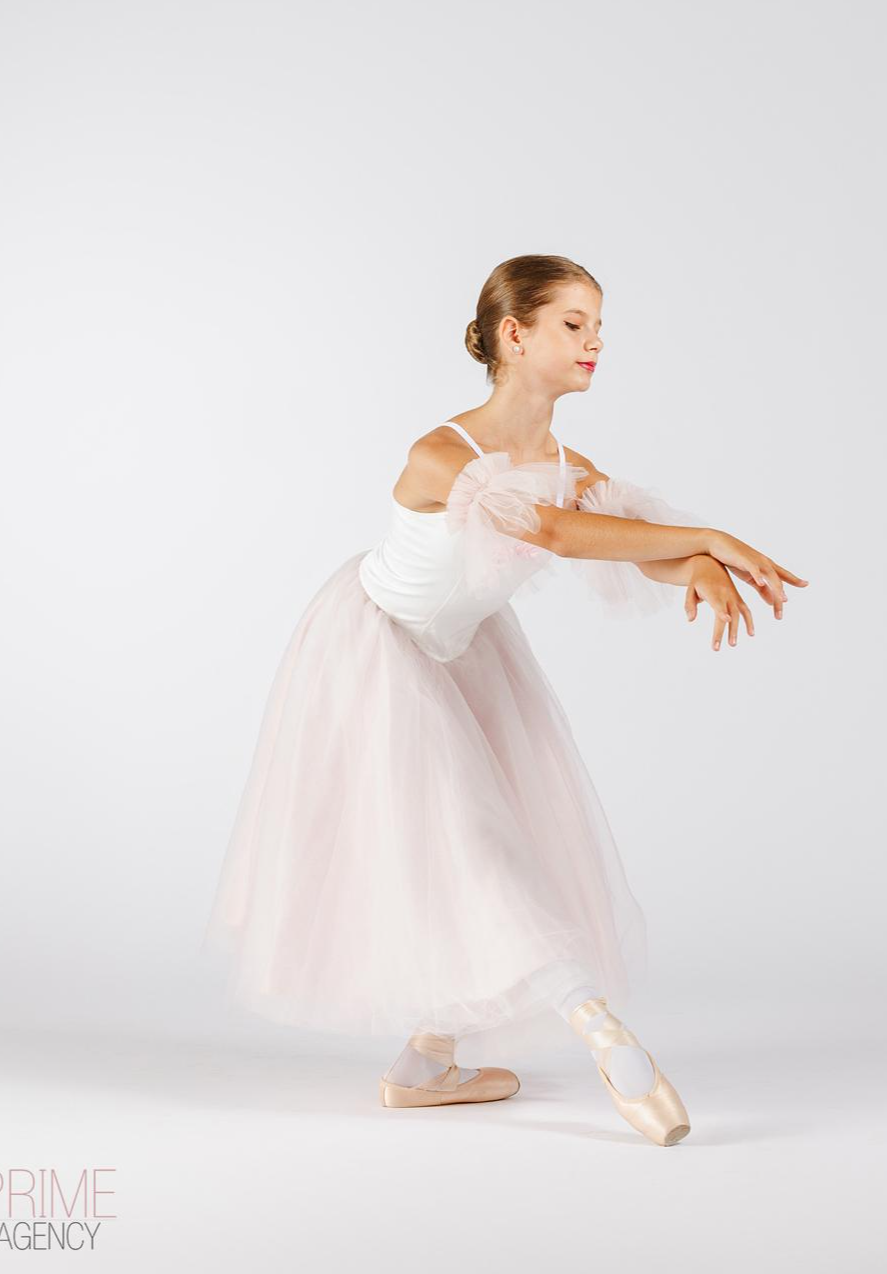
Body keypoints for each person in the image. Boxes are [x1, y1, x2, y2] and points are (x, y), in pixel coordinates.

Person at [202, 254, 807, 1146]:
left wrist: (697, 566)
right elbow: (554, 531)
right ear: (513, 335)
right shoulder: (441, 454)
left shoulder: (568, 465)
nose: (594, 342)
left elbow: (628, 540)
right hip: (374, 649)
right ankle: (602, 1032)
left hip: (463, 653)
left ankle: (425, 1063)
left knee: (477, 838)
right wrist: (710, 536)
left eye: (598, 326)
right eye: (573, 324)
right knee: (468, 841)